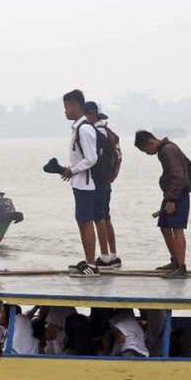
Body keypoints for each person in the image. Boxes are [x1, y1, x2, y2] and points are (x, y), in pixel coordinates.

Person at [134, 130, 190, 279]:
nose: (147, 154)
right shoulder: (163, 150)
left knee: (177, 228)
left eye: (145, 150)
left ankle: (182, 267)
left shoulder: (168, 150)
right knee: (164, 225)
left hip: (177, 194)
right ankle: (175, 260)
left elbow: (178, 176)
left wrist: (172, 199)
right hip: (170, 193)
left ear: (151, 143)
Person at [60, 90, 99, 277]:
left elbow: (92, 158)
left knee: (86, 222)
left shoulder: (84, 128)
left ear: (76, 106)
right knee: (81, 221)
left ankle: (92, 264)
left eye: (67, 107)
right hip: (78, 182)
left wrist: (73, 170)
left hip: (85, 183)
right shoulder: (78, 128)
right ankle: (88, 259)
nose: (65, 111)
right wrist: (71, 169)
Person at [83, 101, 121, 269]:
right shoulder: (108, 131)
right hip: (107, 181)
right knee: (106, 217)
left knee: (98, 218)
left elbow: (93, 159)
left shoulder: (96, 133)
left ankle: (105, 257)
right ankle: (113, 255)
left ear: (91, 114)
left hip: (97, 181)